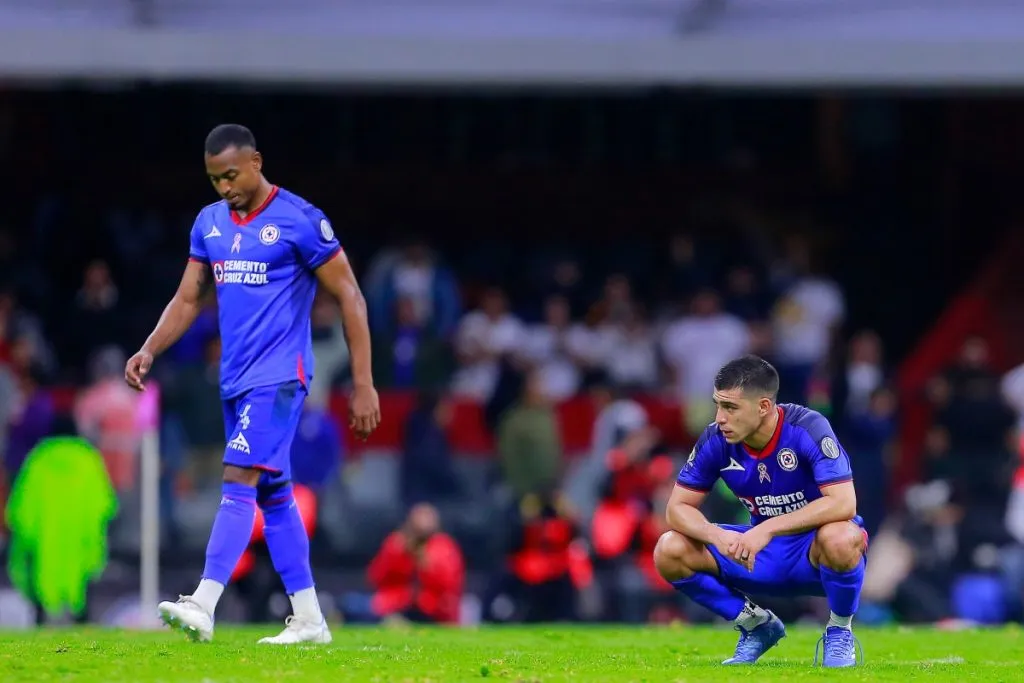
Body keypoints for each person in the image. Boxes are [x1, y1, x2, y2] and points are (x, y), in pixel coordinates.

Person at [124, 124, 381, 644]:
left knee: (238, 478)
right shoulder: (210, 223)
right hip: (235, 378)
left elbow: (351, 295)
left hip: (282, 375)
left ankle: (204, 601)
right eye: (215, 179)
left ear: (257, 161)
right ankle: (309, 619)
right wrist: (150, 347)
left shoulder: (301, 221)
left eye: (232, 175)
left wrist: (363, 383)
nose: (225, 187)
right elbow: (188, 298)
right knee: (277, 495)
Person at [654, 355, 866, 667]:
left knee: (842, 536)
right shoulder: (716, 439)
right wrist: (716, 535)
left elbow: (844, 502)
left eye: (730, 407)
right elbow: (677, 509)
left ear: (764, 407)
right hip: (757, 555)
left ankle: (839, 632)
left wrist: (766, 529)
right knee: (668, 548)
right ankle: (756, 625)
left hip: (814, 553)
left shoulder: (807, 427)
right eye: (718, 405)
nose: (720, 417)